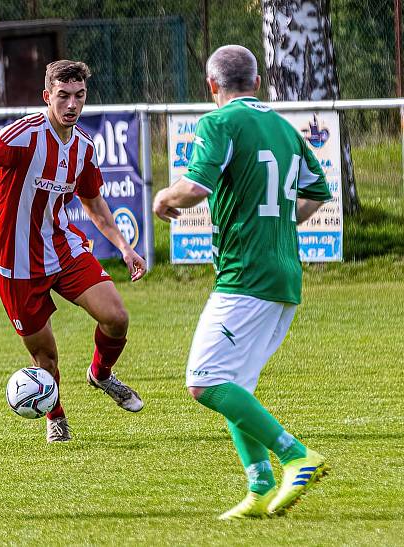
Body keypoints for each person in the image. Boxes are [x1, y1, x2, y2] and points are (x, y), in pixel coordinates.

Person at [152, 45, 333, 520]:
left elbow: (194, 189)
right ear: (257, 80)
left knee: (204, 382)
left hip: (245, 276)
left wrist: (163, 198)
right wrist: (277, 225)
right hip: (283, 274)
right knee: (236, 385)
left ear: (212, 85)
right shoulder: (284, 128)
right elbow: (319, 191)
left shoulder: (219, 122)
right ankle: (259, 488)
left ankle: (296, 455)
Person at [0, 60, 147, 443]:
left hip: (62, 245)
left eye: (79, 96)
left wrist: (125, 247)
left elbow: (94, 205)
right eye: (63, 96)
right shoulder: (25, 133)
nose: (72, 105)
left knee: (117, 317)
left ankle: (101, 374)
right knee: (46, 359)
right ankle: (55, 415)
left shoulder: (85, 148)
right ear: (48, 97)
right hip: (16, 262)